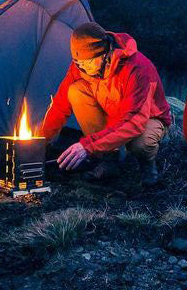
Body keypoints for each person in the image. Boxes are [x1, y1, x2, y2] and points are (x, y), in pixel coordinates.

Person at [39, 22, 172, 184]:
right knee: (75, 91)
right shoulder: (80, 66)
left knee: (140, 143)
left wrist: (88, 146)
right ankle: (110, 160)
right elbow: (60, 106)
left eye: (86, 62)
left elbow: (134, 121)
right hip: (114, 117)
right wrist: (39, 142)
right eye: (78, 62)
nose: (82, 68)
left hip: (149, 118)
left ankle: (147, 166)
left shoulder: (138, 68)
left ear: (104, 54)